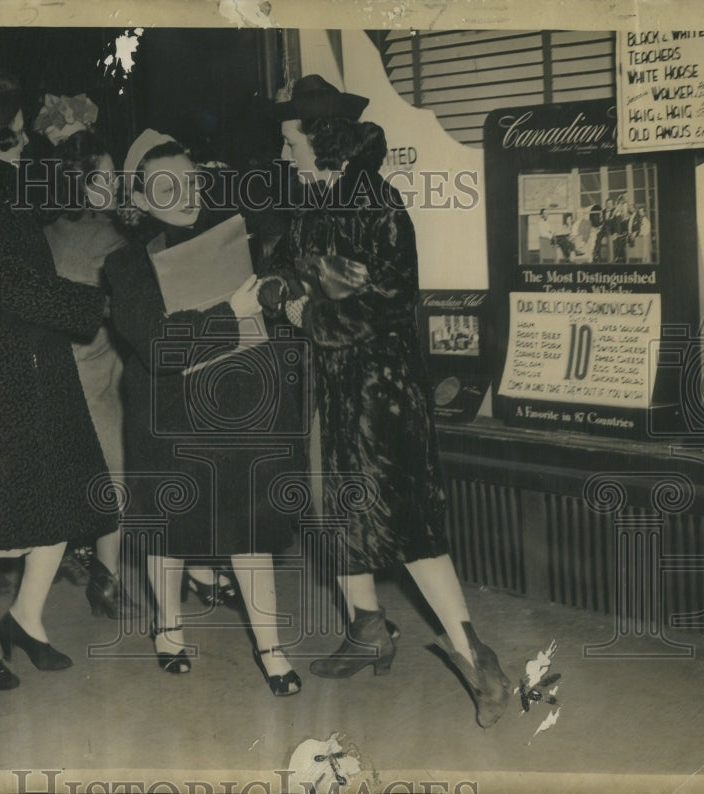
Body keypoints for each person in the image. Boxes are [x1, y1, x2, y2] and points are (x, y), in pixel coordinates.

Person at [261, 75, 511, 727]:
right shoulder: (323, 197)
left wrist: (303, 312)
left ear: (318, 136)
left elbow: (388, 305)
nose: (283, 152)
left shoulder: (375, 202)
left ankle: (478, 661)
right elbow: (305, 271)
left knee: (409, 532)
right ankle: (369, 628)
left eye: (290, 138)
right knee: (334, 512)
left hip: (379, 396)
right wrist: (285, 289)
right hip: (335, 387)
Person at [0, 74, 117, 690]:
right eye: (21, 126)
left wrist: (72, 143)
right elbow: (9, 287)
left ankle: (27, 620)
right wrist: (92, 304)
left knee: (58, 499)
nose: (30, 134)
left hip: (37, 361)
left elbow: (63, 195)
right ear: (0, 136)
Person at [102, 129, 304, 695]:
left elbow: (275, 287)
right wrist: (229, 309)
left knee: (249, 526)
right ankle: (167, 628)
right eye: (166, 186)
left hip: (237, 403)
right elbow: (161, 347)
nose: (186, 194)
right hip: (166, 411)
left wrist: (275, 293)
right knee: (170, 525)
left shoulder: (233, 238)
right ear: (138, 200)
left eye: (191, 180)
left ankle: (271, 647)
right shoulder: (126, 266)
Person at [36, 95, 137, 619]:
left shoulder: (41, 233)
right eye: (108, 176)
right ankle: (107, 578)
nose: (116, 182)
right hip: (98, 366)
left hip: (53, 372)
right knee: (113, 477)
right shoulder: (112, 237)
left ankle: (69, 560)